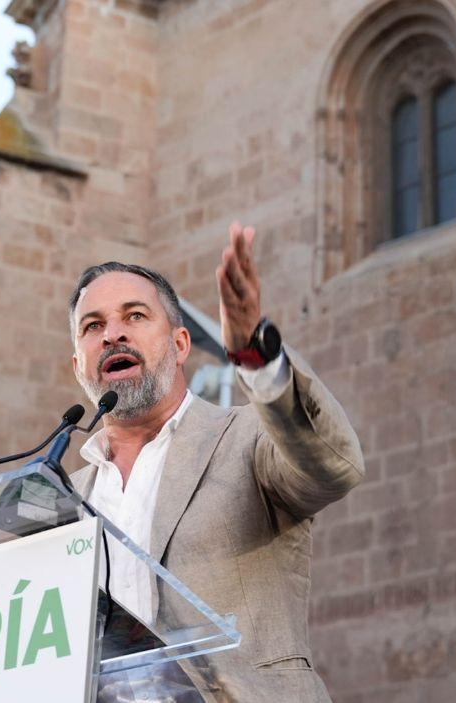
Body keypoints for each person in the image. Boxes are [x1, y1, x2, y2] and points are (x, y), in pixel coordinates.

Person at [67, 222, 365, 701]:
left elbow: (331, 467)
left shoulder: (248, 438)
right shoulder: (64, 502)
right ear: (78, 363)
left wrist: (255, 356)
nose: (113, 334)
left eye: (135, 316)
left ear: (181, 344)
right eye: (93, 326)